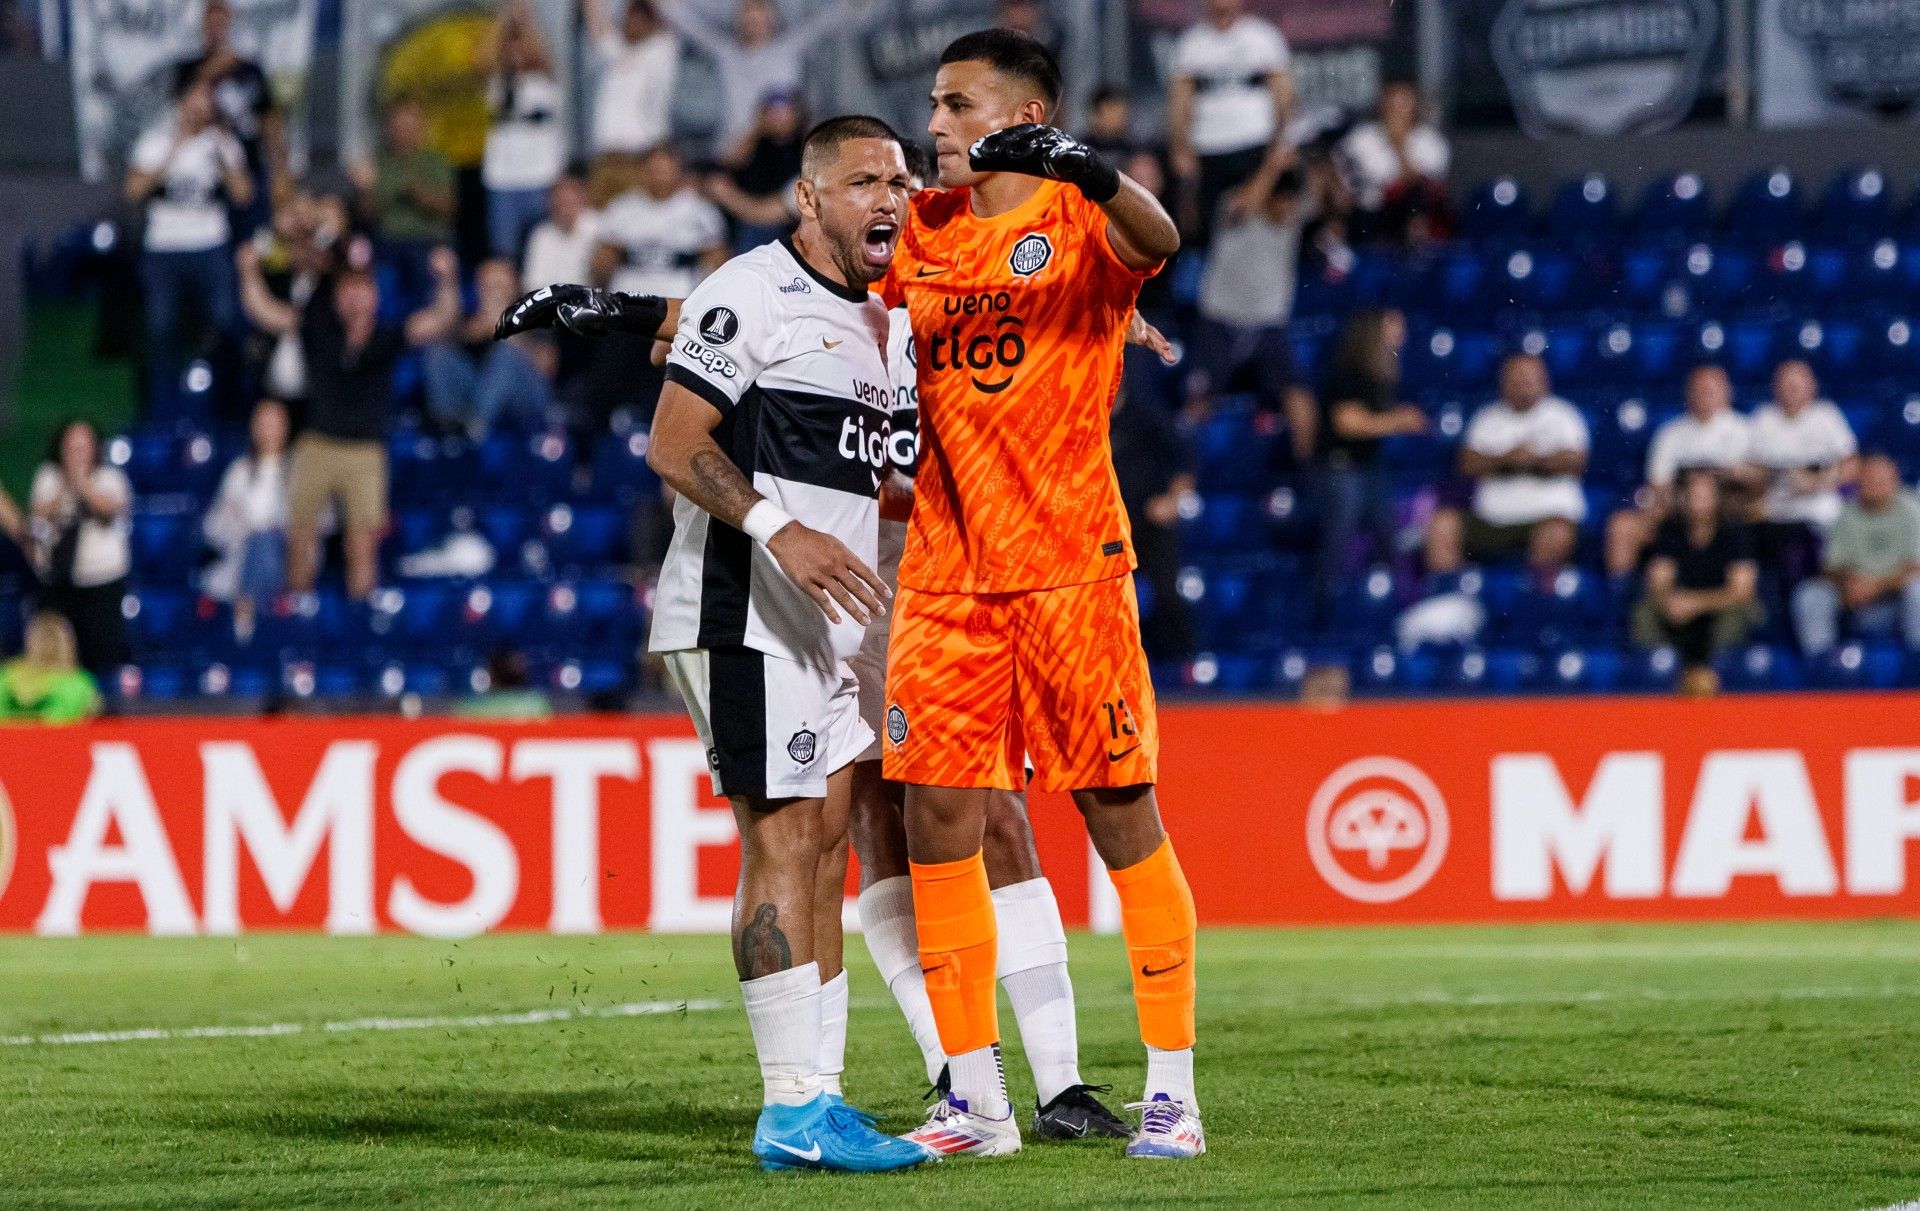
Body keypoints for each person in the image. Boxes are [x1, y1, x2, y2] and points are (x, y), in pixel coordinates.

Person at [526, 116, 931, 1173]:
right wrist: (778, 528)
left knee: (828, 843)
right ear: (809, 196)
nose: (890, 199)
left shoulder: (874, 316)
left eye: (900, 180)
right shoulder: (751, 290)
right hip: (741, 608)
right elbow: (673, 442)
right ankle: (789, 1105)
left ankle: (822, 1098)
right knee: (784, 840)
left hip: (828, 623)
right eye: (864, 181)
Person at [877, 29, 1199, 1160]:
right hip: (945, 574)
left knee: (1118, 812)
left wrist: (1089, 168)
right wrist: (659, 318)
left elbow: (1161, 238)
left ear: (1024, 116)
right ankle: (976, 1100)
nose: (936, 124)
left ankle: (1172, 1092)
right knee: (935, 820)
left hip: (1070, 568)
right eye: (933, 104)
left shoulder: (1079, 221)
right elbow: (814, 292)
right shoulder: (922, 230)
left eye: (958, 104)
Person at [237, 238, 462, 599]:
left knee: (361, 545)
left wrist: (448, 281)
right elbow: (266, 313)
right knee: (300, 538)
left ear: (375, 295)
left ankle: (361, 619)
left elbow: (440, 320)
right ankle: (299, 615)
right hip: (317, 444)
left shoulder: (388, 336)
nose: (356, 297)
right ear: (338, 295)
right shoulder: (318, 330)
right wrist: (249, 272)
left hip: (365, 452)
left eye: (364, 288)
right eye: (348, 288)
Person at [125, 72, 252, 412]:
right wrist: (174, 148)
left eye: (207, 98)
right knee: (160, 325)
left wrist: (223, 155)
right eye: (196, 97)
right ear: (180, 102)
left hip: (209, 242)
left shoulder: (222, 142)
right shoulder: (155, 140)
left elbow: (244, 195)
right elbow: (133, 190)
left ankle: (220, 399)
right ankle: (161, 405)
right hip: (164, 245)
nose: (202, 105)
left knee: (224, 320)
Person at [583, 143, 727, 432]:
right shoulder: (622, 210)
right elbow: (599, 266)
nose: (659, 175)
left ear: (678, 171)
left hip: (678, 316)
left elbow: (721, 269)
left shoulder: (699, 212)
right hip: (626, 312)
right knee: (605, 377)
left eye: (665, 168)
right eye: (654, 168)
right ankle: (599, 436)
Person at [1310, 308, 1425, 621]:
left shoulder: (1381, 373)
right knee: (1337, 542)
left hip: (1367, 467)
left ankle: (1398, 612)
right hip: (1340, 468)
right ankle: (1321, 616)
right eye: (1393, 325)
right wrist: (1398, 421)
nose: (1401, 332)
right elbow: (1347, 422)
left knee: (1389, 538)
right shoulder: (1350, 370)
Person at [1435, 352, 1588, 572]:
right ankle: (1449, 591)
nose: (1523, 384)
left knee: (1556, 533)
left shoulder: (1563, 415)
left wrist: (1533, 459)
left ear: (1544, 380)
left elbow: (1576, 461)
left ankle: (1535, 593)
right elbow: (1467, 464)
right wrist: (1507, 458)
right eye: (1516, 378)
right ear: (1503, 382)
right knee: (1443, 524)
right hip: (1492, 517)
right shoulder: (1487, 418)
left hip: (1548, 514)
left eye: (1529, 378)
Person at [661, 0, 867, 154]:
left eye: (759, 17)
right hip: (739, 150)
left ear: (772, 20)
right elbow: (688, 23)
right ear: (738, 21)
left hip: (786, 146)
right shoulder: (727, 52)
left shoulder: (789, 48)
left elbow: (829, 21)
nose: (753, 23)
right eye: (747, 17)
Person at [1606, 363, 1754, 577]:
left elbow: (1755, 481)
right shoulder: (1671, 434)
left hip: (1731, 516)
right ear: (1688, 394)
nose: (1705, 396)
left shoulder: (1745, 430)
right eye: (1699, 390)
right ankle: (1619, 592)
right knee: (1622, 526)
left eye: (1711, 390)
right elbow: (1658, 484)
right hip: (1680, 514)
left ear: (1727, 392)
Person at [1166, 0, 1293, 241]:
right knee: (1203, 232)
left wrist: (1277, 150)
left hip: (1255, 145)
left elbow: (1284, 100)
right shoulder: (1191, 44)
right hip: (1208, 149)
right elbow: (1179, 103)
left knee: (1261, 227)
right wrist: (1180, 147)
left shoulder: (1263, 38)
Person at [1185, 169, 1303, 423]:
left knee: (1297, 398)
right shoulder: (1234, 208)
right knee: (1198, 401)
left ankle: (1305, 452)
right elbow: (1244, 205)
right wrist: (1273, 164)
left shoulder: (1293, 220)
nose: (1288, 211)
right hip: (1219, 321)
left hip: (1268, 327)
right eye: (1283, 203)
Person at [28, 420, 133, 682]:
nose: (77, 453)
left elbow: (110, 509)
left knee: (100, 660)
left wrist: (82, 484)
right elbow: (38, 515)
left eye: (82, 447)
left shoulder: (110, 477)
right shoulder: (49, 477)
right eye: (71, 447)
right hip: (60, 581)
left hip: (102, 583)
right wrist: (66, 486)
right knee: (55, 659)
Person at [1633, 469, 1760, 676]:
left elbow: (1742, 591)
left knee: (1736, 615)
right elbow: (1658, 582)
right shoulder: (1671, 530)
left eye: (1706, 495)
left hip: (1719, 607)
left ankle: (1721, 674)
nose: (1700, 502)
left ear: (1718, 498)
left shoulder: (1735, 532)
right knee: (1646, 612)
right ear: (1684, 499)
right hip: (1679, 608)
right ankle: (1657, 673)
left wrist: (1695, 603)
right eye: (1695, 495)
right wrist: (1670, 601)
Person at [1791, 453, 1920, 656]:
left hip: (1896, 603)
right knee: (1811, 593)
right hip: (1853, 602)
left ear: (1895, 481)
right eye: (1869, 480)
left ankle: (1916, 661)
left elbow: (1916, 568)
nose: (1874, 486)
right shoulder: (1846, 514)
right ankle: (1821, 663)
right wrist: (1848, 584)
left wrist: (1875, 587)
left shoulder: (1912, 509)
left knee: (1917, 590)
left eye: (1880, 481)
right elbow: (1831, 568)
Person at [1745, 359, 1857, 584]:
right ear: (1775, 387)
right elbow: (1752, 469)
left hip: (1819, 509)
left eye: (1797, 385)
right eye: (1786, 384)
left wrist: (1816, 481)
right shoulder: (1763, 418)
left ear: (1812, 386)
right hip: (1775, 508)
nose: (1791, 390)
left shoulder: (1826, 416)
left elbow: (1852, 465)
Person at [175, 0, 281, 234]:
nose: (217, 30)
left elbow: (269, 122)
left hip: (248, 166)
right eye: (211, 24)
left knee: (252, 237)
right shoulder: (188, 69)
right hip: (206, 170)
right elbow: (181, 112)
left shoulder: (250, 70)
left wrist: (280, 172)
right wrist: (214, 69)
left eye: (221, 24)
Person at [423, 259, 556, 438]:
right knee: (439, 355)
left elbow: (547, 368)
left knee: (506, 356)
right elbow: (446, 346)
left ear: (515, 288)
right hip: (478, 390)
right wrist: (481, 327)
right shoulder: (470, 320)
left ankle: (476, 430)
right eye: (489, 287)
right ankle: (449, 431)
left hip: (526, 397)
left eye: (501, 287)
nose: (495, 294)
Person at [1112, 389, 1198, 663]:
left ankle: (1183, 667)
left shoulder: (1146, 412)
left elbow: (1183, 457)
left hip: (1151, 522)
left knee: (1167, 596)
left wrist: (1173, 500)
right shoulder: (1086, 415)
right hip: (1110, 530)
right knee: (1108, 602)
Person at [481, 0, 567, 259]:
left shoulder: (547, 81)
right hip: (503, 180)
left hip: (541, 177)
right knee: (504, 254)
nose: (517, 52)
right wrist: (505, 14)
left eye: (521, 46)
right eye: (511, 47)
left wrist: (525, 14)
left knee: (541, 252)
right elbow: (484, 58)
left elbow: (542, 52)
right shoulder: (498, 84)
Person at [202, 398, 292, 640]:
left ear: (285, 427)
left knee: (266, 541)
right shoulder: (238, 471)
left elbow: (318, 522)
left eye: (274, 423)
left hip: (287, 557)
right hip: (242, 553)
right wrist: (236, 522)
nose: (268, 430)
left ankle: (247, 616)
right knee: (258, 542)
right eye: (262, 423)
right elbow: (213, 527)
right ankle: (253, 618)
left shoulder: (299, 471)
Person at [351, 100, 457, 304]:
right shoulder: (378, 162)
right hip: (388, 243)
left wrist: (416, 188)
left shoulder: (436, 160)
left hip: (427, 242)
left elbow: (449, 208)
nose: (403, 132)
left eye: (409, 125)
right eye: (398, 125)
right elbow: (367, 214)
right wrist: (367, 190)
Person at [1337, 81, 1451, 245]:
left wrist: (1399, 146)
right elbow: (1353, 182)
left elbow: (1425, 184)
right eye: (1392, 105)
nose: (1397, 112)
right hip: (1370, 217)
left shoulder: (1430, 140)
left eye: (1403, 106)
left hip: (1411, 216)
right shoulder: (1361, 138)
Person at [706, 93, 806, 251]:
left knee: (759, 232)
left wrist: (729, 197)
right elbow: (726, 164)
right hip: (743, 218)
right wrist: (758, 128)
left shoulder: (805, 147)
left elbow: (772, 213)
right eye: (773, 113)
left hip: (780, 225)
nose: (778, 118)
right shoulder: (757, 142)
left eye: (784, 112)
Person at [582, 0, 679, 160]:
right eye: (629, 16)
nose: (634, 22)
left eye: (640, 17)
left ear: (651, 20)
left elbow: (669, 9)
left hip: (645, 151)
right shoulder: (614, 51)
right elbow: (596, 22)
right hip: (609, 152)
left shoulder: (662, 49)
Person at [0, 612, 101, 724]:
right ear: (29, 641)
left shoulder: (80, 683)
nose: (49, 646)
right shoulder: (5, 676)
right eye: (42, 638)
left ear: (68, 644)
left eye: (55, 639)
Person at [522, 170, 601, 291]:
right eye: (559, 203)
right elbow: (533, 283)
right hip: (552, 300)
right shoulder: (541, 234)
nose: (564, 210)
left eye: (569, 203)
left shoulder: (599, 229)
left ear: (582, 201)